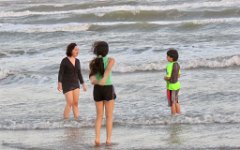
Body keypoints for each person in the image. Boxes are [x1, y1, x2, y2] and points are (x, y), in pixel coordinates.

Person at [89, 41, 116, 146]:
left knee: (99, 116)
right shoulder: (111, 60)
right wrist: (104, 79)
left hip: (97, 89)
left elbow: (92, 78)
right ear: (107, 50)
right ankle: (108, 140)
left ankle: (97, 139)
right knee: (109, 116)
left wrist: (97, 81)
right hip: (108, 88)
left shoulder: (93, 62)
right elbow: (108, 70)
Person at [58, 43, 87, 120]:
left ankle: (76, 120)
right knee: (70, 103)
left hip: (75, 83)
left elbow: (79, 73)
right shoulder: (64, 60)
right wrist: (59, 83)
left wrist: (83, 84)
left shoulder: (77, 61)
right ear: (71, 50)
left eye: (78, 50)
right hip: (66, 84)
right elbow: (61, 72)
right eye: (75, 50)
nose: (77, 51)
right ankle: (65, 121)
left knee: (75, 103)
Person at [164, 48, 181, 116]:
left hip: (171, 86)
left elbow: (168, 77)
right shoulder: (177, 64)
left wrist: (165, 78)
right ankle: (179, 114)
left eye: (167, 56)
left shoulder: (169, 65)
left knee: (172, 103)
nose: (166, 57)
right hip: (177, 85)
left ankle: (173, 116)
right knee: (176, 101)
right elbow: (179, 75)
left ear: (171, 58)